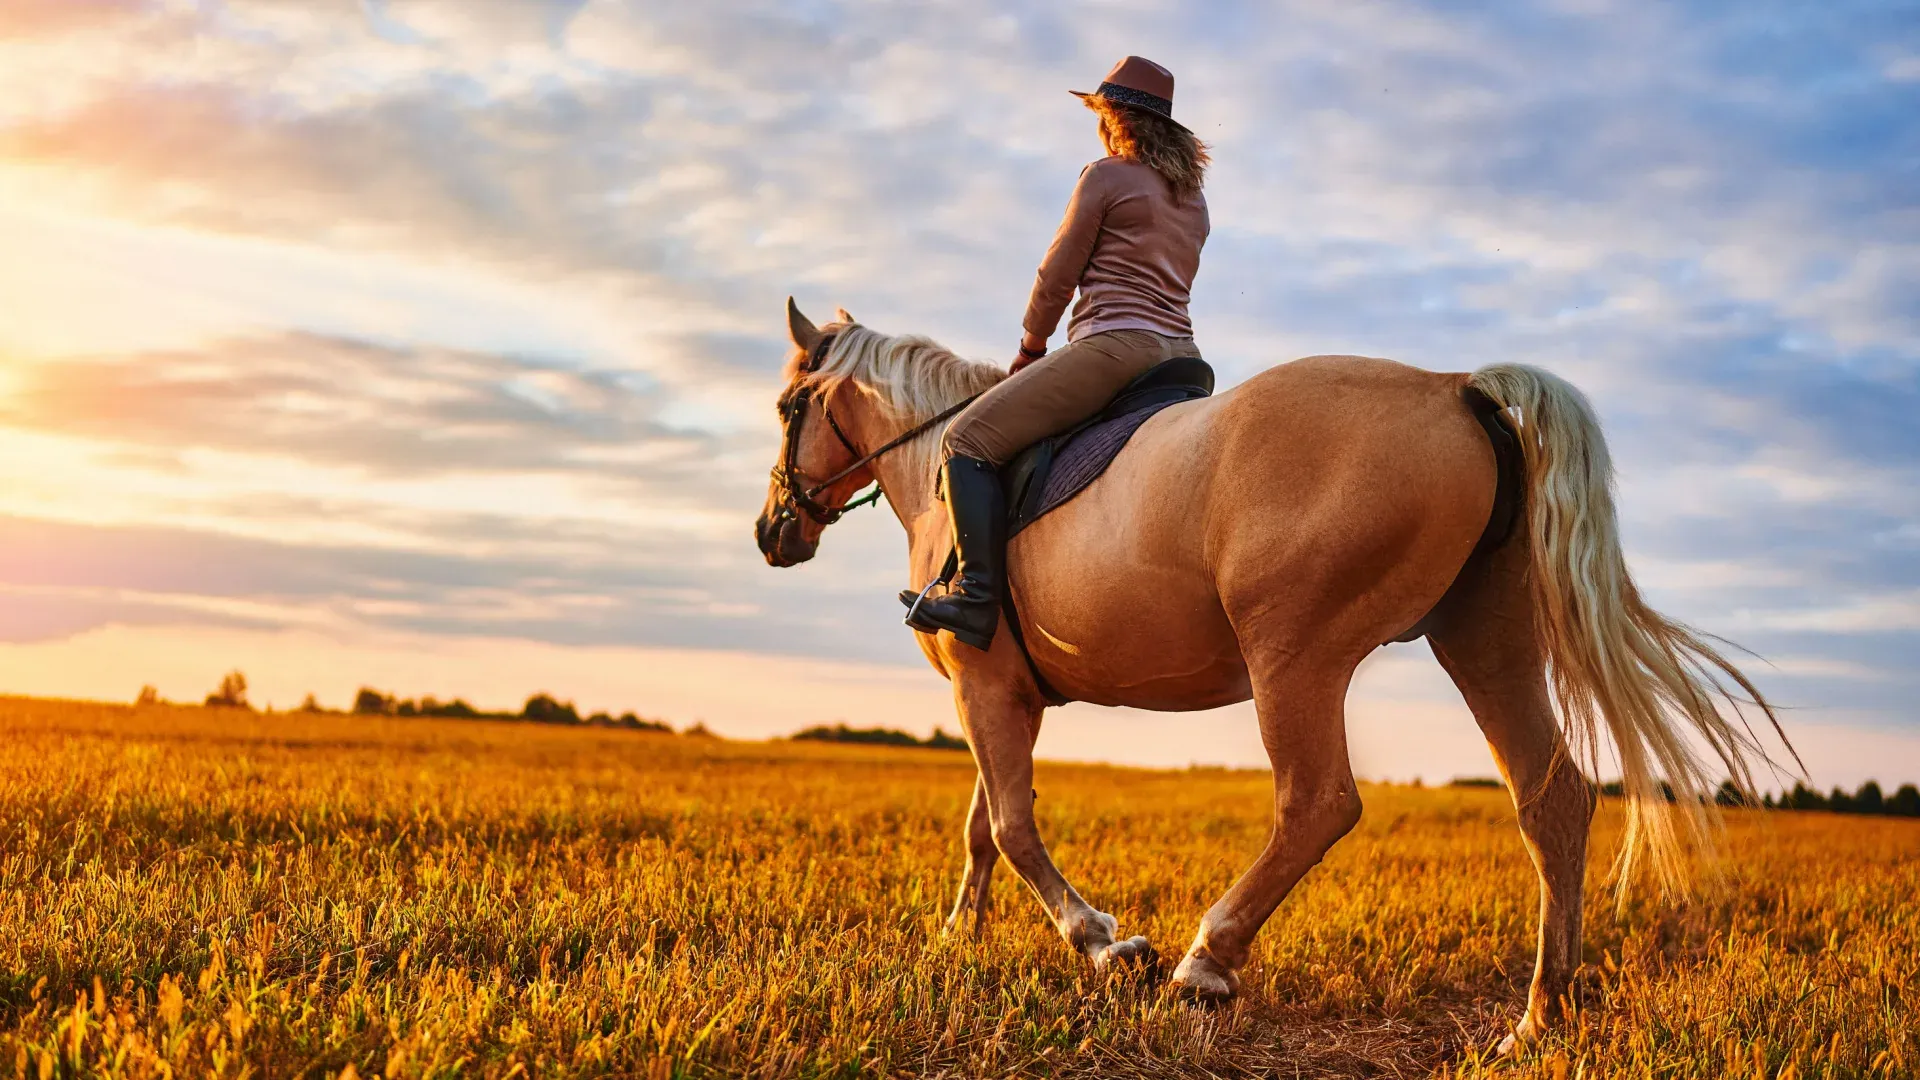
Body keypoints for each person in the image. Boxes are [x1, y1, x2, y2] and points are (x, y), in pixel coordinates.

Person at [905, 55, 1212, 651]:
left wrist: (1030, 346)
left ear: (1114, 117)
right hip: (1185, 359)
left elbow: (1057, 275)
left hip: (1115, 348)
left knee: (964, 441)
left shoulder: (1105, 176)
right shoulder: (1194, 201)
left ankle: (974, 595)